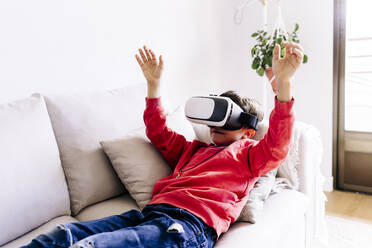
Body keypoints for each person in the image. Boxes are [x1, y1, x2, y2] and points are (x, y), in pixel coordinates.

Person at [22, 41, 304, 248]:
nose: (214, 126)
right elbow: (158, 132)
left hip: (186, 227)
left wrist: (285, 86)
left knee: (95, 246)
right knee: (61, 236)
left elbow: (278, 145)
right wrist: (154, 86)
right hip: (149, 215)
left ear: (246, 130)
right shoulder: (193, 150)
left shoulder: (249, 155)